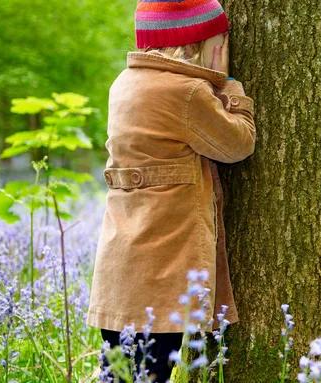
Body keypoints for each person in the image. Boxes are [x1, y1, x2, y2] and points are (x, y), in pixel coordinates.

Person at [86, 0, 256, 380]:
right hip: (160, 274)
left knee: (119, 370)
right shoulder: (188, 92)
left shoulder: (125, 84)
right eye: (220, 39)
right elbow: (238, 144)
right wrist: (228, 84)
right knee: (149, 371)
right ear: (199, 43)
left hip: (124, 264)